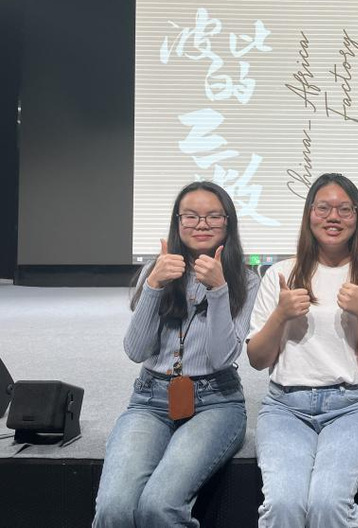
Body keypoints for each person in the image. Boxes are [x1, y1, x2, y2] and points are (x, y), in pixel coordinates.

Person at [93, 181, 260, 527]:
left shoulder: (245, 280)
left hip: (216, 402)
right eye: (191, 216)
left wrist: (219, 290)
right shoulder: (156, 271)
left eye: (213, 216)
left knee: (159, 505)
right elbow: (135, 350)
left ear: (228, 222)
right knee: (114, 508)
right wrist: (154, 285)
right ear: (178, 221)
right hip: (150, 400)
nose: (202, 224)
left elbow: (222, 357)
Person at [247, 173, 358, 528]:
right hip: (285, 406)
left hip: (353, 407)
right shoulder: (280, 275)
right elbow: (257, 359)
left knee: (328, 504)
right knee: (283, 504)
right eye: (323, 208)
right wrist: (281, 315)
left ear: (357, 217)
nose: (333, 217)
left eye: (344, 209)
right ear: (309, 214)